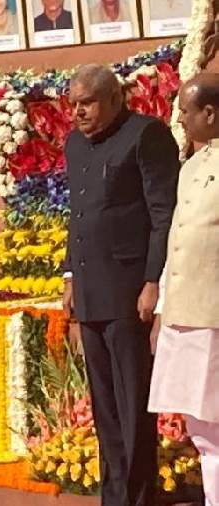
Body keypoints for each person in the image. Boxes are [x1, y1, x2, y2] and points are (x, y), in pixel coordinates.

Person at [62, 64, 179, 506]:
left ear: (114, 98)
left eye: (87, 103)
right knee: (105, 407)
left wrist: (154, 281)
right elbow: (77, 214)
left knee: (133, 406)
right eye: (74, 104)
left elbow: (163, 214)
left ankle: (139, 497)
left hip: (130, 293)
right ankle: (114, 497)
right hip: (90, 290)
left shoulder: (145, 135)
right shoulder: (75, 144)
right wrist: (70, 276)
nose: (78, 112)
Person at [149, 73, 219, 506]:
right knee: (200, 427)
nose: (179, 120)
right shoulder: (190, 165)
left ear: (210, 113)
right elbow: (176, 241)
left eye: (185, 112)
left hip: (213, 315)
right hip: (184, 314)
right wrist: (162, 308)